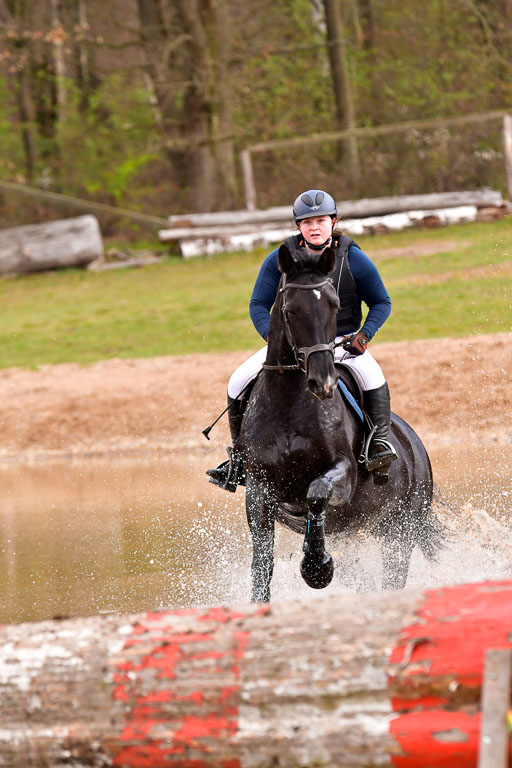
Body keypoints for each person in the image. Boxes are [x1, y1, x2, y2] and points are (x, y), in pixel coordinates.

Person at [207, 188, 397, 491]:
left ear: (333, 222)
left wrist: (363, 336)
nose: (314, 227)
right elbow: (258, 304)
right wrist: (270, 336)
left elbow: (382, 302)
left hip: (341, 342)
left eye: (321, 220)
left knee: (372, 377)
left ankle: (378, 446)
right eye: (307, 222)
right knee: (237, 380)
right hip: (292, 344)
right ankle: (239, 459)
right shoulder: (280, 259)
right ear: (299, 226)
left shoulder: (354, 259)